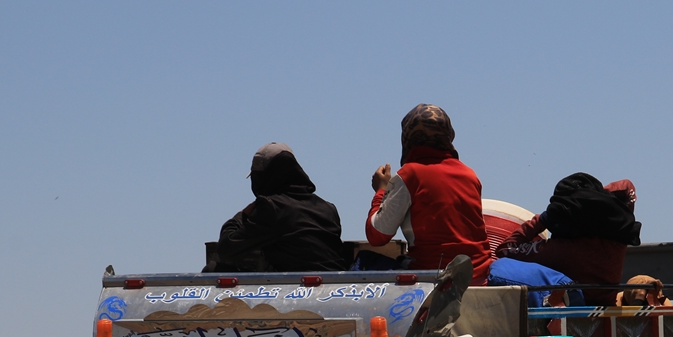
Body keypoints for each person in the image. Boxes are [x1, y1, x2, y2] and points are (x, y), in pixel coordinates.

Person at [366, 105, 492, 285]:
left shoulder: (410, 174)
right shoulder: (469, 175)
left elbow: (377, 236)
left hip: (434, 278)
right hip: (479, 277)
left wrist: (381, 191)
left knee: (364, 262)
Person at [495, 174, 642, 305]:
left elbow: (505, 250)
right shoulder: (617, 239)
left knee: (500, 267)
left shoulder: (557, 250)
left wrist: (541, 220)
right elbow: (626, 186)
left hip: (572, 309)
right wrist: (598, 198)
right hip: (605, 305)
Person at [206, 143, 347, 273]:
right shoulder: (328, 208)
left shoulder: (272, 207)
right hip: (336, 284)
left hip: (295, 287)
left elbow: (226, 248)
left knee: (212, 270)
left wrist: (242, 216)